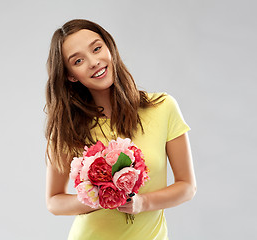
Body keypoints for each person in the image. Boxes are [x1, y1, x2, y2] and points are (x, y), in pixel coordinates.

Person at [44, 19, 196, 240]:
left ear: (110, 48)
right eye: (78, 61)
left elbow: (186, 186)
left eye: (97, 48)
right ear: (71, 75)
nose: (94, 62)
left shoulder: (163, 107)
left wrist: (142, 203)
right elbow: (54, 201)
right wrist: (98, 197)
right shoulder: (68, 127)